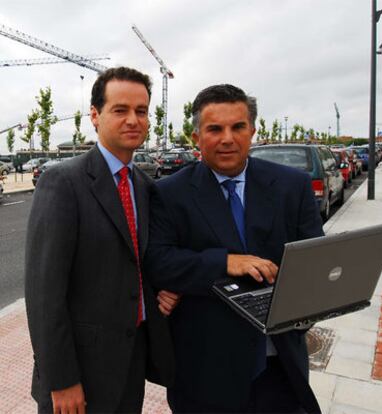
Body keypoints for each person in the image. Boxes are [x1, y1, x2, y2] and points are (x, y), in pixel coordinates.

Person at [145, 84, 324, 413]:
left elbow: (315, 261)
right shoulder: (169, 194)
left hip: (280, 366)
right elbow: (159, 261)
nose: (227, 138)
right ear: (196, 136)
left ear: (252, 131)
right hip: (204, 373)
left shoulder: (291, 186)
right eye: (214, 128)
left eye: (237, 127)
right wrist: (225, 262)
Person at [25, 67, 179, 414]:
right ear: (95, 115)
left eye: (141, 111)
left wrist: (163, 289)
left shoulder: (144, 186)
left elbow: (136, 260)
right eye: (120, 109)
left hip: (129, 363)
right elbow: (43, 294)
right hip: (79, 373)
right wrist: (61, 379)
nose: (133, 120)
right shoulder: (62, 182)